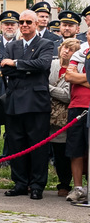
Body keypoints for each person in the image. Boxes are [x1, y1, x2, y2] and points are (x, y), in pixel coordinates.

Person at [0, 9, 53, 199]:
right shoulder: (13, 45)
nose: (24, 25)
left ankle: (37, 185)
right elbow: (5, 71)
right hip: (14, 102)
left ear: (37, 24)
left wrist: (15, 64)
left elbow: (43, 65)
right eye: (21, 22)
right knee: (16, 144)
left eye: (28, 22)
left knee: (37, 146)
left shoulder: (46, 44)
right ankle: (20, 183)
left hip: (36, 104)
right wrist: (24, 68)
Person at [49, 38, 78, 196]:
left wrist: (47, 88)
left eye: (71, 49)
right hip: (46, 115)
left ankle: (65, 183)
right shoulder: (52, 65)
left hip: (64, 118)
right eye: (65, 47)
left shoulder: (75, 69)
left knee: (62, 153)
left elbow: (67, 95)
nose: (66, 51)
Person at [63, 35, 89, 202]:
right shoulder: (80, 52)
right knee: (76, 149)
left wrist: (81, 78)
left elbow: (76, 77)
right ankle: (78, 187)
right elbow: (69, 76)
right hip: (78, 105)